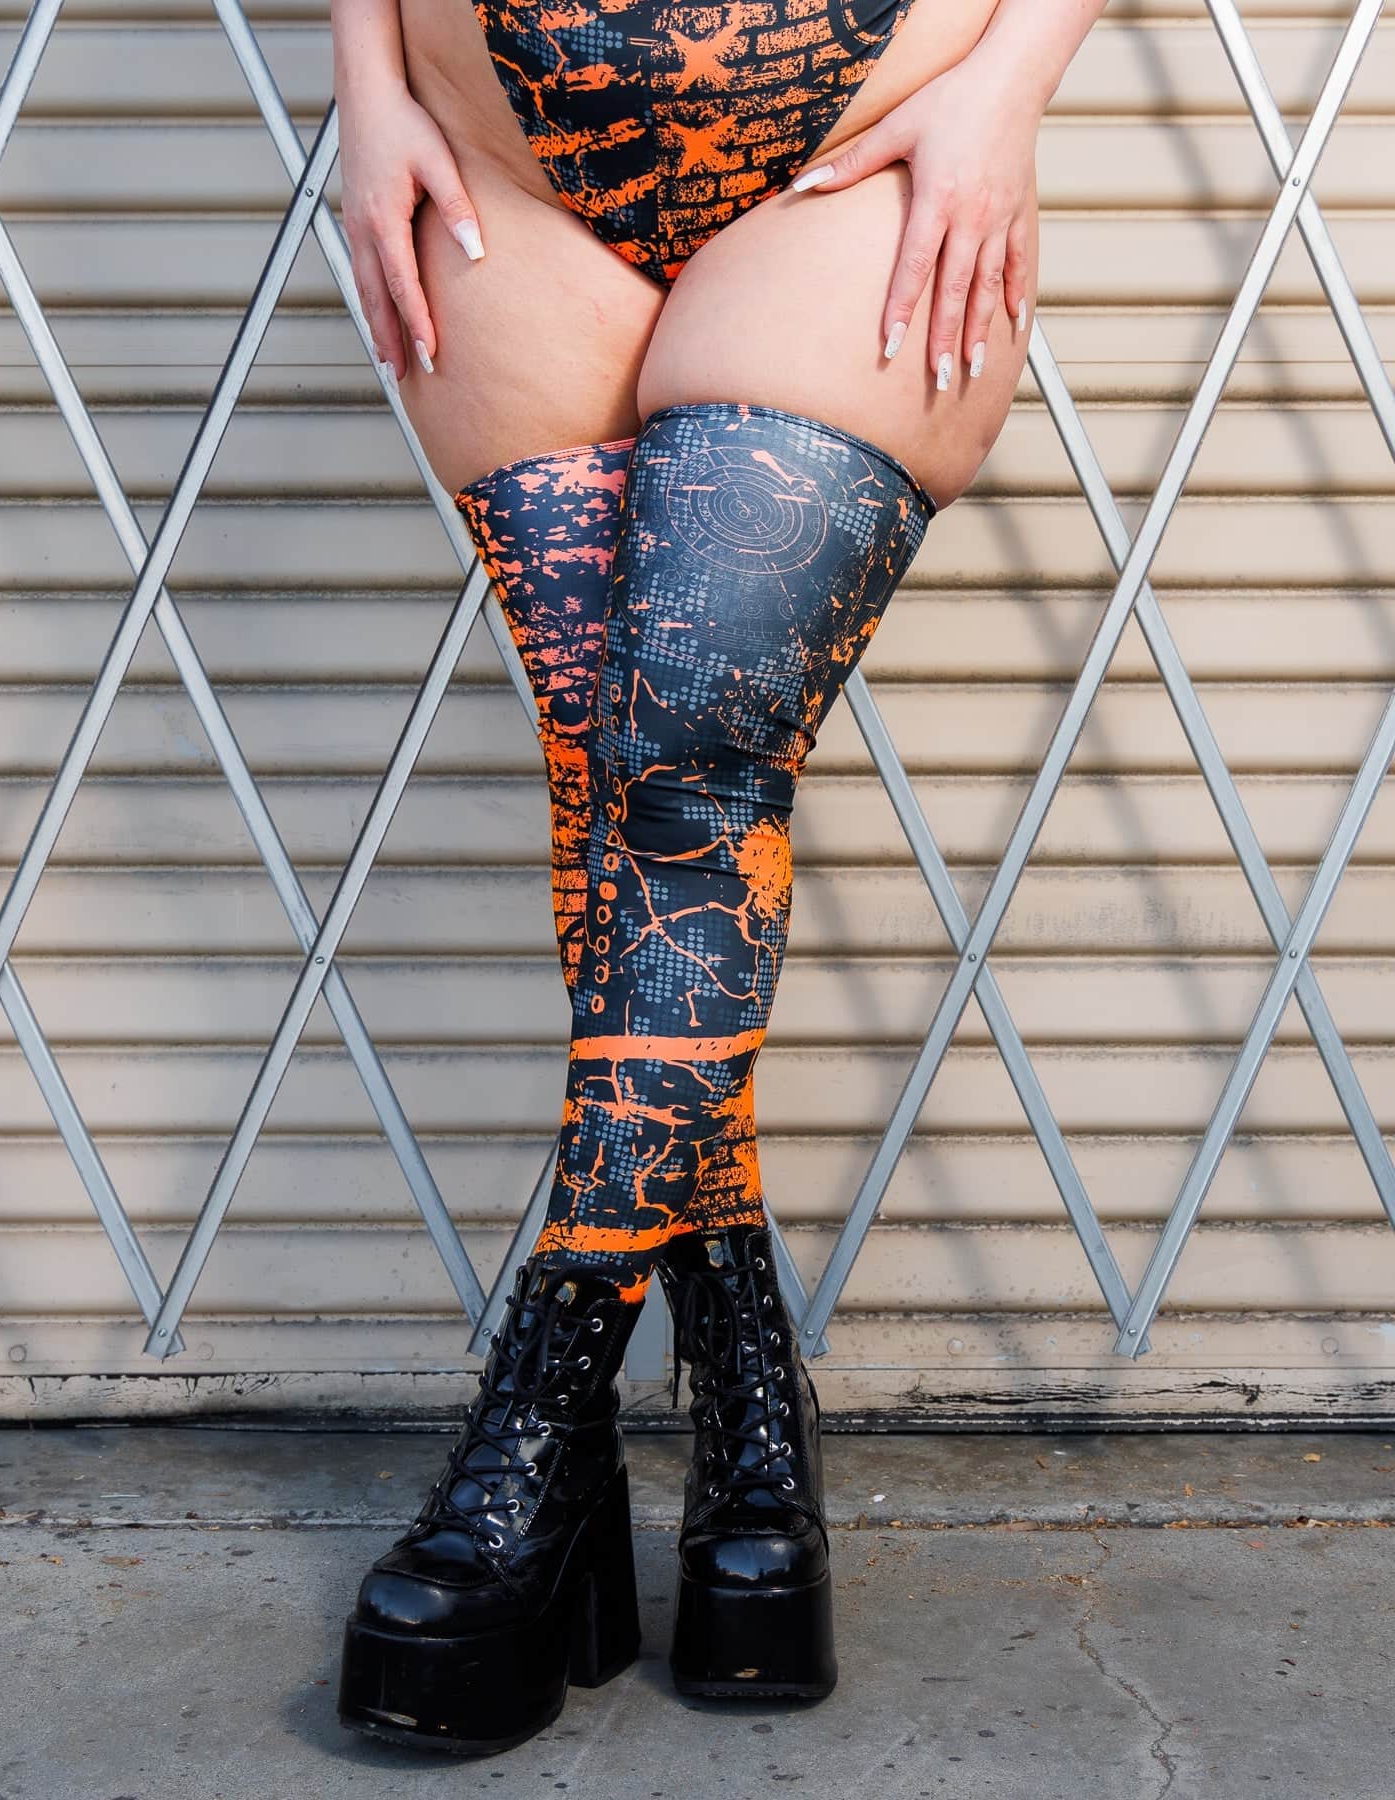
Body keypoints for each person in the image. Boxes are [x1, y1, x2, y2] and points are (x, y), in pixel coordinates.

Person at [332, 0, 1107, 1755]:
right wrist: (363, 85)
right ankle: (754, 1413)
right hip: (492, 160)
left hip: (864, 145)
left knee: (687, 754)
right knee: (618, 800)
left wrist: (1008, 85)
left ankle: (535, 1425)